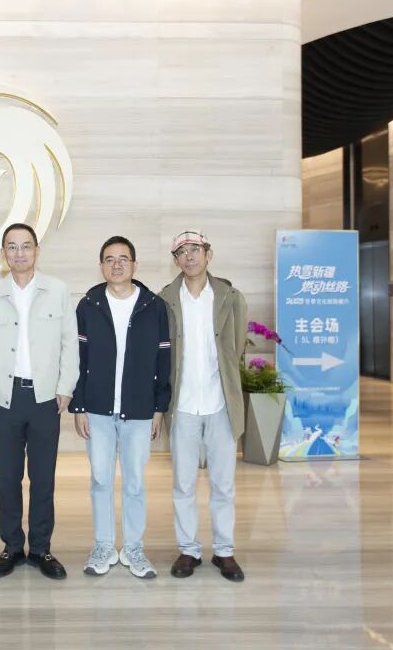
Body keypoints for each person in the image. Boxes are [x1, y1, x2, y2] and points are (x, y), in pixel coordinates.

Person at [0, 222, 79, 580]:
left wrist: (65, 387)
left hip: (46, 397)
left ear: (37, 250)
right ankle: (11, 547)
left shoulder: (58, 291)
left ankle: (41, 548)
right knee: (8, 478)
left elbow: (70, 343)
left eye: (26, 246)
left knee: (43, 478)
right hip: (5, 398)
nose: (19, 253)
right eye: (12, 246)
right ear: (3, 253)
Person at [71, 236, 171, 579]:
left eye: (123, 259)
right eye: (109, 259)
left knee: (134, 482)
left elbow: (163, 359)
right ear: (101, 265)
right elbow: (79, 359)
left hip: (140, 409)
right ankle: (103, 545)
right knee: (100, 479)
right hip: (97, 409)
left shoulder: (153, 306)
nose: (116, 265)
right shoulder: (88, 305)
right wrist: (79, 406)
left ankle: (133, 548)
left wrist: (159, 408)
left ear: (135, 265)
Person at [158, 231, 248, 583]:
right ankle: (189, 550)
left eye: (195, 249)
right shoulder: (166, 299)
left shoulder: (229, 296)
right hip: (182, 405)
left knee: (223, 484)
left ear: (208, 254)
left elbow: (237, 347)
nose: (189, 256)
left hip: (220, 403)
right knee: (183, 483)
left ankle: (224, 551)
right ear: (175, 260)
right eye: (181, 252)